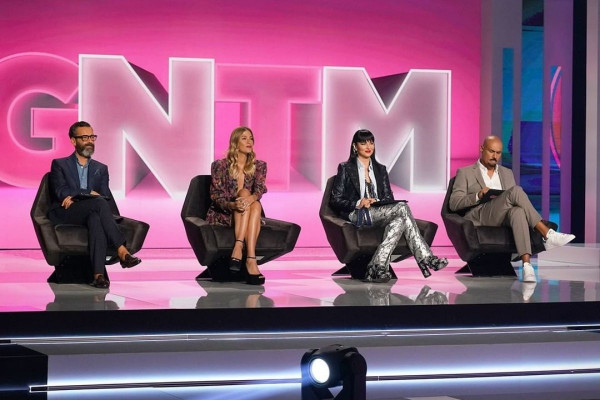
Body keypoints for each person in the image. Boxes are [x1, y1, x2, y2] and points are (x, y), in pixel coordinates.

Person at [449, 135, 575, 282]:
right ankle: (547, 233)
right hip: (479, 216)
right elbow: (454, 203)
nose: (495, 156)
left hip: (501, 215)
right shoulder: (465, 172)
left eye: (498, 153)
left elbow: (515, 202)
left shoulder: (506, 173)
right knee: (516, 191)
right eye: (491, 151)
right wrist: (478, 195)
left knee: (518, 212)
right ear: (482, 149)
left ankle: (527, 266)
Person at [329, 129, 448, 282]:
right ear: (354, 146)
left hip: (379, 212)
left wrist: (377, 201)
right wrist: (359, 202)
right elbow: (335, 200)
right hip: (358, 214)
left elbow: (388, 198)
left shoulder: (381, 169)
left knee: (399, 221)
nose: (368, 146)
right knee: (402, 208)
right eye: (363, 143)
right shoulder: (345, 168)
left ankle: (377, 266)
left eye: (371, 142)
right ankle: (426, 258)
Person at [48, 121, 142, 289]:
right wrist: (87, 192)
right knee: (97, 203)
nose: (90, 141)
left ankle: (98, 276)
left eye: (92, 137)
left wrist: (76, 194)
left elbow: (104, 196)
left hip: (92, 210)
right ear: (73, 140)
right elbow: (61, 191)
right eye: (85, 137)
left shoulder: (101, 168)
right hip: (67, 211)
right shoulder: (60, 164)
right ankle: (122, 249)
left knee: (95, 219)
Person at [206, 126, 267, 285]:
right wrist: (234, 205)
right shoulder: (220, 166)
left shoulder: (259, 166)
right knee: (248, 197)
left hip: (250, 213)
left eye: (251, 138)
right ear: (235, 142)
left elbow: (259, 190)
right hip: (225, 214)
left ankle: (240, 247)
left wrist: (250, 198)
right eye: (244, 138)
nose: (249, 141)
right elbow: (216, 197)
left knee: (252, 201)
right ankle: (251, 260)